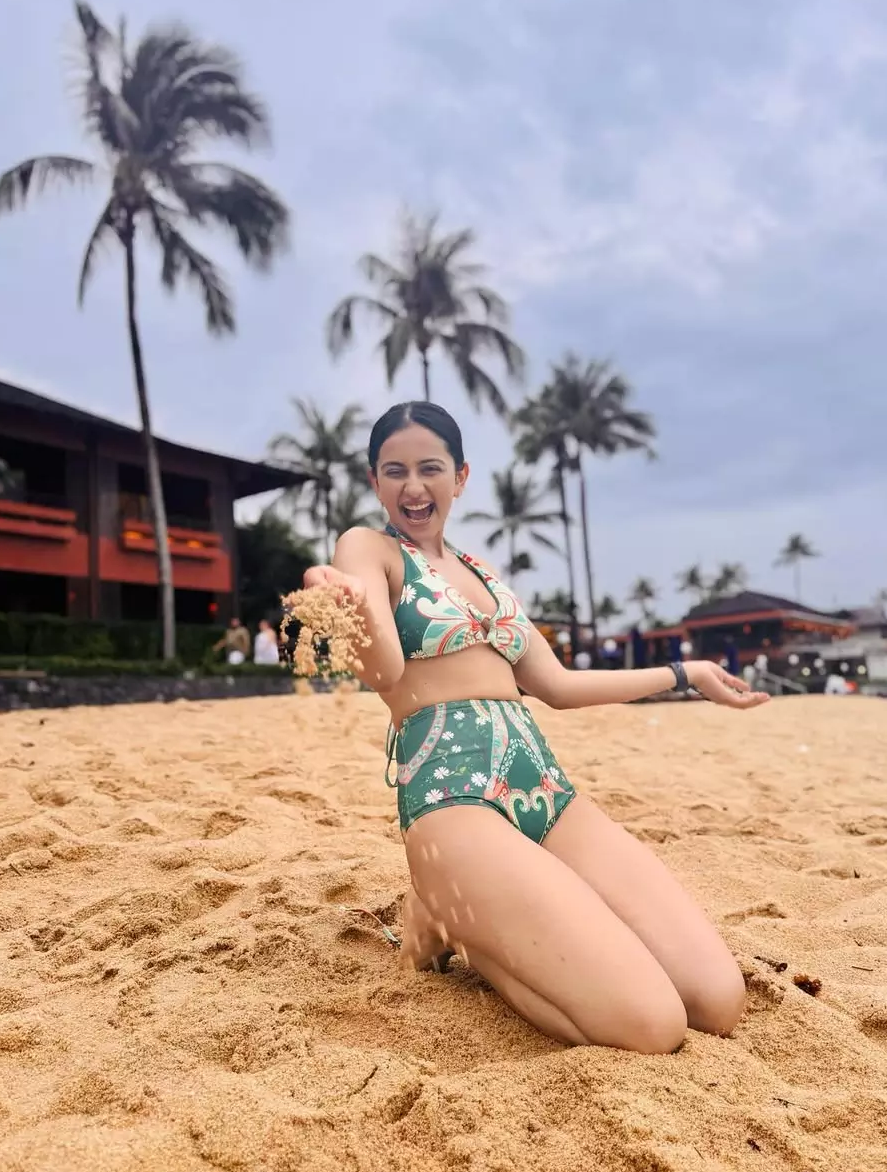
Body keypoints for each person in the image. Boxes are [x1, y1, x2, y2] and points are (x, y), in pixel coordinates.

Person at [299, 402, 770, 1055]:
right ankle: (453, 919)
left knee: (716, 1001)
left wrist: (684, 673)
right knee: (651, 1025)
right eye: (395, 471)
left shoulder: (483, 573)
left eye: (430, 468)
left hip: (544, 789)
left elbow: (558, 686)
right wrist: (350, 612)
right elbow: (385, 670)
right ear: (374, 481)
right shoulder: (368, 549)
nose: (413, 486)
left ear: (460, 477)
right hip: (453, 802)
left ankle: (462, 912)